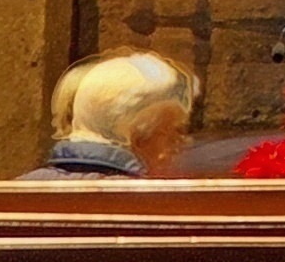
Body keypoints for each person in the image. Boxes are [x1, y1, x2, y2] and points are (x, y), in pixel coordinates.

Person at [16, 55, 195, 183]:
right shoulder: (155, 208)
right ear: (137, 137)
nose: (181, 144)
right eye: (172, 132)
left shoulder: (12, 195)